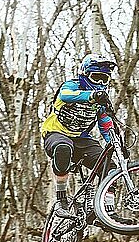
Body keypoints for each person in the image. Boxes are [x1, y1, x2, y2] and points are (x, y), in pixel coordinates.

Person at [41, 54, 116, 216]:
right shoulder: (72, 85)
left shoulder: (101, 101)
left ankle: (106, 213)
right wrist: (90, 96)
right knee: (63, 147)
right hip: (55, 133)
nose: (100, 83)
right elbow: (65, 95)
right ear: (84, 74)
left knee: (111, 168)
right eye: (96, 77)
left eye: (104, 79)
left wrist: (115, 144)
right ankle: (61, 200)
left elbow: (105, 125)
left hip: (82, 140)